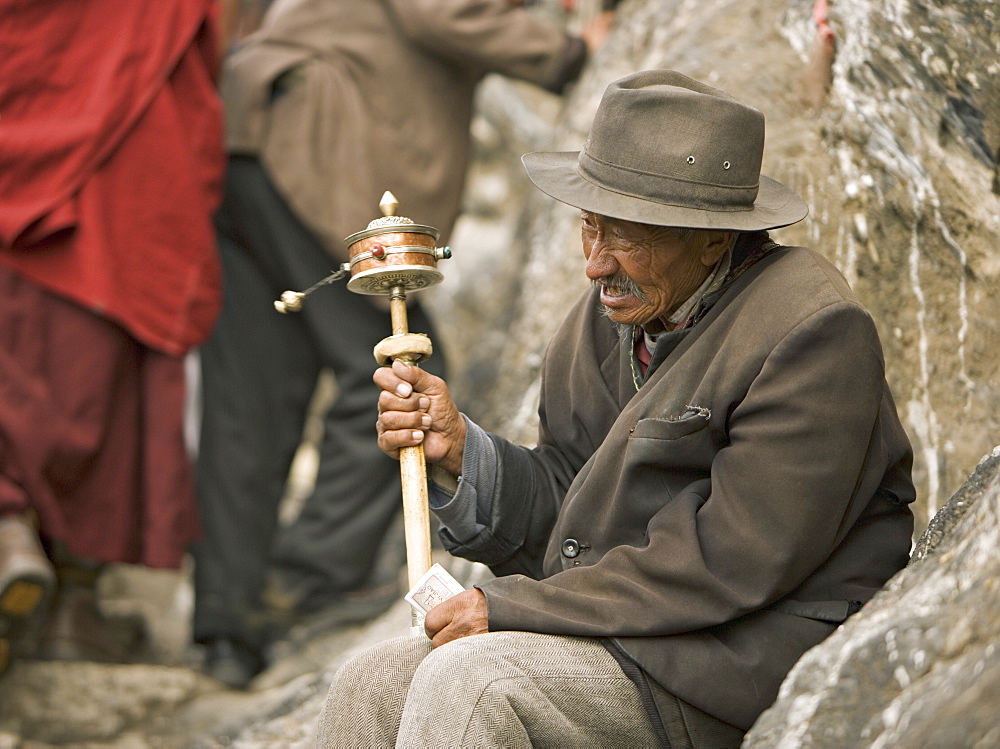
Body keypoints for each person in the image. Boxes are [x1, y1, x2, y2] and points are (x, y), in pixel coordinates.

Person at [317, 69, 916, 747]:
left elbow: (730, 559)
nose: (595, 265)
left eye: (626, 237)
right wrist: (459, 450)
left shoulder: (813, 332)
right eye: (589, 228)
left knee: (474, 683)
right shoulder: (614, 313)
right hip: (626, 622)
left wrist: (514, 608)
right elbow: (573, 505)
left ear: (714, 237)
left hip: (733, 654)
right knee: (368, 681)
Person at [192, 0, 616, 689]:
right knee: (402, 375)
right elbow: (443, 10)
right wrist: (568, 53)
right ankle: (308, 583)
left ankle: (226, 626)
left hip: (248, 129)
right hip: (315, 134)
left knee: (252, 393)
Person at [0, 0, 227, 676]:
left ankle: (11, 533)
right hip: (123, 201)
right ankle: (73, 603)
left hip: (29, 205)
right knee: (104, 394)